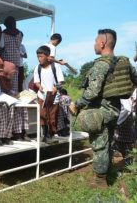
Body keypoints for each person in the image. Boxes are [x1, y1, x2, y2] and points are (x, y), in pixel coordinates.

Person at [70, 29, 137, 188]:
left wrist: (77, 104)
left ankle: (100, 181)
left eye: (95, 41)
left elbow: (92, 92)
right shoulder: (124, 62)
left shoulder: (101, 65)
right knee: (108, 142)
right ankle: (108, 172)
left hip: (100, 111)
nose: (94, 44)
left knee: (100, 145)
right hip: (115, 109)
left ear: (102, 43)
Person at [34, 45, 64, 143]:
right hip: (42, 96)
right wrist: (39, 87)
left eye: (41, 56)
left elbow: (61, 81)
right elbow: (36, 82)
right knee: (42, 115)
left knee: (52, 116)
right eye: (38, 57)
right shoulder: (37, 68)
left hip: (53, 96)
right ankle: (45, 134)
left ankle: (51, 135)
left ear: (47, 56)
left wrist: (55, 88)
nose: (39, 59)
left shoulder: (55, 66)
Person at [0, 61, 30, 141]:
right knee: (11, 108)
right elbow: (1, 91)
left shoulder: (7, 79)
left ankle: (21, 131)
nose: (12, 75)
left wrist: (16, 94)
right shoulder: (0, 78)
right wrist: (12, 95)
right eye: (12, 72)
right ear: (7, 70)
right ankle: (8, 135)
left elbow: (10, 90)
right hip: (1, 100)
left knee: (22, 106)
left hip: (9, 99)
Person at [114, 88, 136, 170]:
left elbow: (127, 109)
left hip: (125, 120)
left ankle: (128, 166)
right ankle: (126, 164)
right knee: (120, 143)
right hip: (124, 120)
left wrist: (117, 123)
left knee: (127, 144)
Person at [0, 16, 22, 94]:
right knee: (14, 84)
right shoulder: (20, 33)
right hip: (16, 62)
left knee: (5, 82)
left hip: (7, 62)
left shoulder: (4, 33)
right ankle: (14, 100)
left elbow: (1, 46)